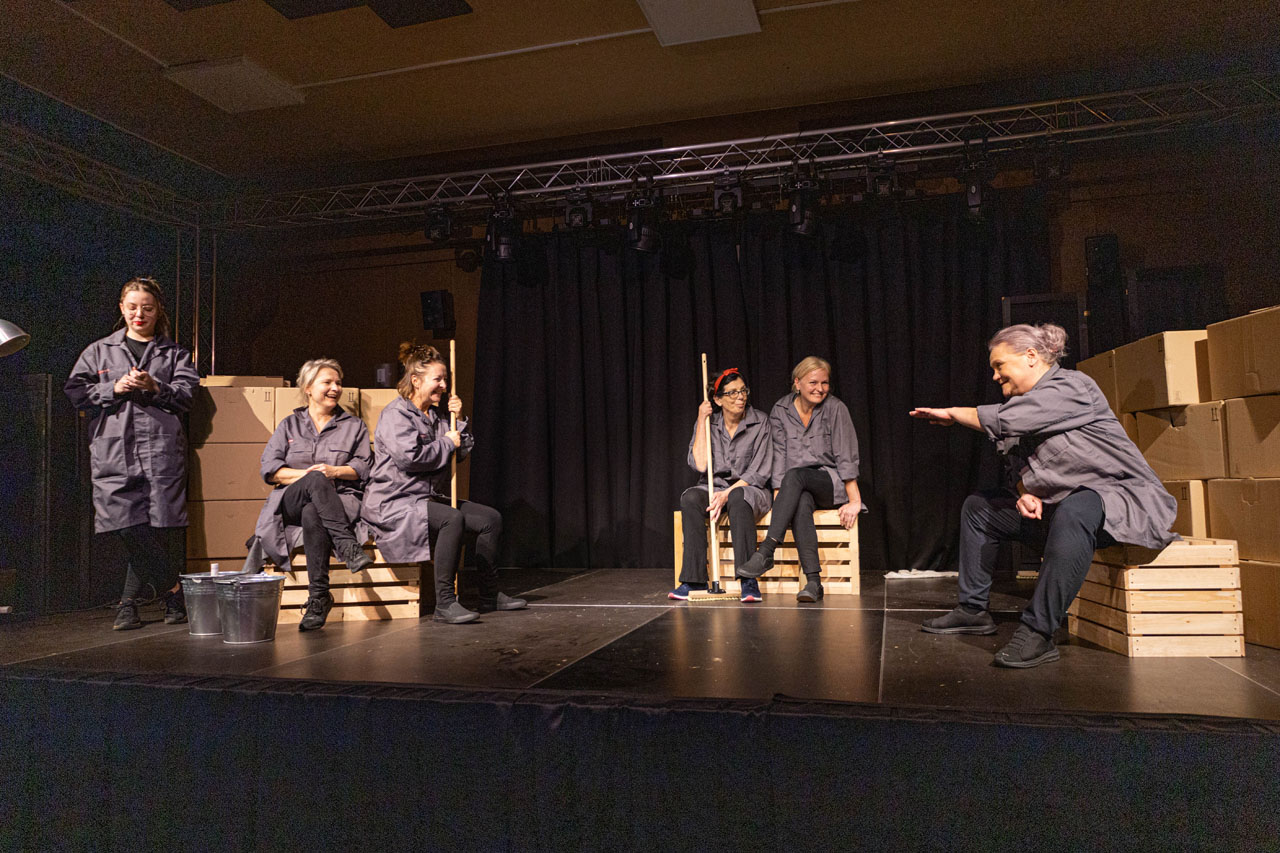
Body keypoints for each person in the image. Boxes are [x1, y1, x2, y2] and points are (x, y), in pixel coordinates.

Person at [909, 323, 1177, 668]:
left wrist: (953, 413)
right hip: (1061, 514)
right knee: (980, 508)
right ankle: (972, 610)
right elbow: (1018, 469)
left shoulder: (1072, 387)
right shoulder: (1021, 408)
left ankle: (1038, 632)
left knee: (1077, 506)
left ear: (1031, 356)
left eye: (999, 365)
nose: (995, 376)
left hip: (1119, 503)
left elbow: (1004, 421)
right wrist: (1026, 493)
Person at [64, 277, 200, 630]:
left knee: (156, 529)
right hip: (115, 452)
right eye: (133, 307)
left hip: (161, 452)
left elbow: (188, 396)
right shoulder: (99, 351)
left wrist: (156, 386)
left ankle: (128, 606)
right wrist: (114, 387)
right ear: (122, 309)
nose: (140, 314)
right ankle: (173, 592)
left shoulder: (175, 354)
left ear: (158, 311)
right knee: (126, 527)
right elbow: (76, 392)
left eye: (147, 308)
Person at [361, 343, 526, 624]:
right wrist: (447, 443)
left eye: (445, 379)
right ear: (416, 381)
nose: (444, 385)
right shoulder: (396, 415)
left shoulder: (437, 416)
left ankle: (489, 594)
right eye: (437, 379)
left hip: (426, 498)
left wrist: (458, 421)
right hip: (395, 501)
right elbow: (411, 459)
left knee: (489, 519)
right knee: (452, 518)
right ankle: (445, 602)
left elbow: (458, 454)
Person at [251, 358, 373, 631]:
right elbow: (270, 470)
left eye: (338, 383)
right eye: (327, 382)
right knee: (314, 481)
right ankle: (347, 545)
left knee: (313, 511)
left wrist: (334, 471)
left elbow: (363, 467)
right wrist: (310, 477)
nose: (335, 388)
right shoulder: (289, 425)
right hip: (291, 500)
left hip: (339, 500)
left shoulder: (354, 426)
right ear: (307, 388)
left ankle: (318, 598)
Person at [737, 356, 862, 602]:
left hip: (829, 483)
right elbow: (778, 455)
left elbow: (847, 455)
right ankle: (814, 583)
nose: (820, 388)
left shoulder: (836, 409)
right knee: (801, 502)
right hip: (797, 487)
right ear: (797, 383)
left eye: (825, 383)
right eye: (813, 382)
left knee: (796, 476)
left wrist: (855, 499)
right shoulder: (781, 410)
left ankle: (767, 551)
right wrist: (780, 497)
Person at [671, 368, 773, 603]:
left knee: (738, 497)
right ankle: (694, 580)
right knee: (690, 498)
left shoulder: (760, 422)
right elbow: (699, 464)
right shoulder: (709, 423)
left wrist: (728, 493)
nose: (741, 397)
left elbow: (759, 472)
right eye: (732, 392)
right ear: (717, 400)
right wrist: (701, 418)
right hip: (714, 488)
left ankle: (748, 580)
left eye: (743, 390)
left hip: (750, 489)